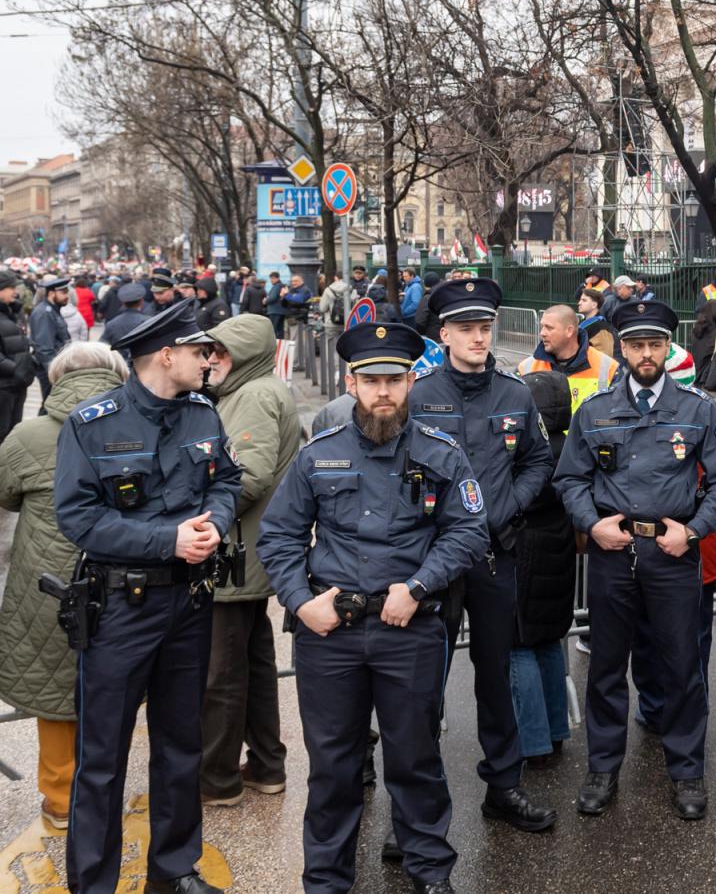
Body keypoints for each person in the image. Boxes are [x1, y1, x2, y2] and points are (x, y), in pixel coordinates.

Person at [256, 322, 487, 894]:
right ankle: (326, 881)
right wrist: (301, 602)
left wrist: (419, 586)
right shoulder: (319, 455)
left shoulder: (440, 453)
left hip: (408, 627)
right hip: (330, 633)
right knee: (333, 767)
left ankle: (430, 873)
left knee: (415, 760)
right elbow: (278, 537)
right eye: (371, 381)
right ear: (351, 384)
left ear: (410, 383)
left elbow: (468, 531)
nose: (383, 392)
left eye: (394, 380)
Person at [54, 302, 242, 894]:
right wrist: (169, 540)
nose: (207, 360)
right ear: (165, 355)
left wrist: (215, 523)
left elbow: (227, 479)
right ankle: (93, 882)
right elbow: (79, 517)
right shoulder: (92, 423)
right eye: (198, 351)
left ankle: (174, 869)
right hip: (120, 609)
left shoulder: (202, 414)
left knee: (181, 743)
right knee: (102, 756)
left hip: (188, 603)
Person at [554, 299, 716, 820]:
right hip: (613, 554)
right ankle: (602, 768)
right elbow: (570, 478)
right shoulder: (595, 410)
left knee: (681, 667)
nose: (645, 354)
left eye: (654, 344)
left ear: (667, 348)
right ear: (622, 348)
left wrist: (694, 530)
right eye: (636, 345)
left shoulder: (697, 409)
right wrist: (592, 523)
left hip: (672, 553)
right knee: (607, 667)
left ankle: (687, 771)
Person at [407, 278, 558, 834]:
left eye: (484, 328)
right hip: (434, 563)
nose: (477, 337)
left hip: (495, 556)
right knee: (424, 686)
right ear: (444, 334)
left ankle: (503, 785)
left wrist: (509, 505)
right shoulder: (417, 395)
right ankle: (416, 808)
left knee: (496, 676)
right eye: (466, 328)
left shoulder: (515, 393)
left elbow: (538, 461)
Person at [0, 342, 127, 834]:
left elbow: (6, 494)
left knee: (51, 683)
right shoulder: (137, 425)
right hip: (122, 572)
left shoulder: (28, 434)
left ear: (56, 379)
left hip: (48, 582)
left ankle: (60, 799)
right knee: (116, 684)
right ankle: (105, 793)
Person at [198, 315, 300, 808]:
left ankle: (216, 778)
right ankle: (265, 765)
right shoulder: (251, 389)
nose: (211, 359)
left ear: (244, 354)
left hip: (235, 553)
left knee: (221, 672)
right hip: (249, 552)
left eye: (220, 351)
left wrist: (200, 519)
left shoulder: (254, 395)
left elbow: (247, 477)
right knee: (254, 665)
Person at [512, 371, 577, 768]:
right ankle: (555, 731)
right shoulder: (569, 445)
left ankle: (532, 741)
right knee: (549, 641)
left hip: (525, 549)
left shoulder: (526, 450)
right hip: (559, 547)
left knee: (517, 643)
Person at [515, 305, 620, 416]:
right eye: (542, 327)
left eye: (549, 328)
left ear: (569, 331)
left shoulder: (608, 368)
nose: (542, 333)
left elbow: (619, 417)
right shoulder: (525, 368)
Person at [0, 270, 34, 440]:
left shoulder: (12, 311)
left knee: (13, 435)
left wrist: (30, 361)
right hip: (4, 386)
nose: (15, 291)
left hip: (16, 385)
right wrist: (15, 369)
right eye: (11, 287)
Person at [30, 277, 72, 407]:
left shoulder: (52, 310)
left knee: (53, 405)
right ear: (52, 293)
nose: (67, 296)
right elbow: (44, 348)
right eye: (63, 292)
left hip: (56, 365)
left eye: (67, 292)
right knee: (50, 406)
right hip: (49, 368)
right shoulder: (44, 313)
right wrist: (54, 373)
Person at [103, 283, 148, 358]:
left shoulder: (111, 324)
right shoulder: (148, 322)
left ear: (123, 303)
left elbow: (102, 346)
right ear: (141, 301)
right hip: (142, 362)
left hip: (120, 362)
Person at [576, 288, 616, 357]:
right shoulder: (583, 323)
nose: (579, 303)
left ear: (594, 305)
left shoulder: (602, 327)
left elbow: (604, 357)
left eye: (584, 300)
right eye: (580, 300)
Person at [265, 272, 286, 338]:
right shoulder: (281, 285)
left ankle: (275, 343)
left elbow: (273, 297)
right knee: (280, 330)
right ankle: (280, 342)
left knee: (274, 329)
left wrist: (265, 301)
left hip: (275, 310)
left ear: (276, 278)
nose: (271, 280)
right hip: (281, 311)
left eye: (272, 278)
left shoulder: (277, 286)